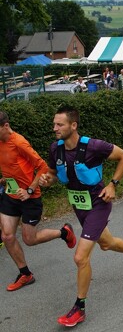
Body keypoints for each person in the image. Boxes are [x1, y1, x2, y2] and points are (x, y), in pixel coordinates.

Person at [38, 106, 123, 327]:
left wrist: (112, 184)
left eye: (59, 124)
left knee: (80, 257)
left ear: (73, 125)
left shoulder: (94, 146)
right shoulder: (55, 149)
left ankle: (79, 308)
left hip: (99, 203)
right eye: (54, 124)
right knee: (106, 243)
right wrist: (46, 180)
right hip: (80, 206)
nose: (55, 128)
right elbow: (52, 173)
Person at [0, 111, 77, 292]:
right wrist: (4, 179)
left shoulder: (19, 142)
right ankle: (25, 274)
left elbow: (42, 166)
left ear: (5, 126)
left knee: (29, 239)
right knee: (7, 236)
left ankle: (63, 232)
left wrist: (29, 190)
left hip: (29, 197)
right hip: (11, 196)